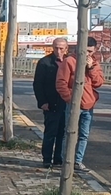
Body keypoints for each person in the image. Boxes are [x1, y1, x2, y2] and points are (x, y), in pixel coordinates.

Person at [55, 37, 104, 172]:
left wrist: (91, 68)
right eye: (86, 50)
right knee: (69, 133)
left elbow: (98, 83)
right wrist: (70, 99)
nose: (88, 54)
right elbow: (61, 83)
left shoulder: (94, 62)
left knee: (84, 134)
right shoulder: (69, 61)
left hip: (89, 105)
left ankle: (78, 161)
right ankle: (67, 160)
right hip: (73, 104)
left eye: (91, 51)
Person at [33, 38, 68, 168]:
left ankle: (59, 159)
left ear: (66, 48)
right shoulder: (45, 62)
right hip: (51, 104)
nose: (58, 51)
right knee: (50, 133)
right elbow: (38, 84)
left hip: (66, 103)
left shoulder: (70, 62)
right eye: (56, 48)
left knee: (63, 133)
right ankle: (47, 158)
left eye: (61, 48)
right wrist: (42, 102)